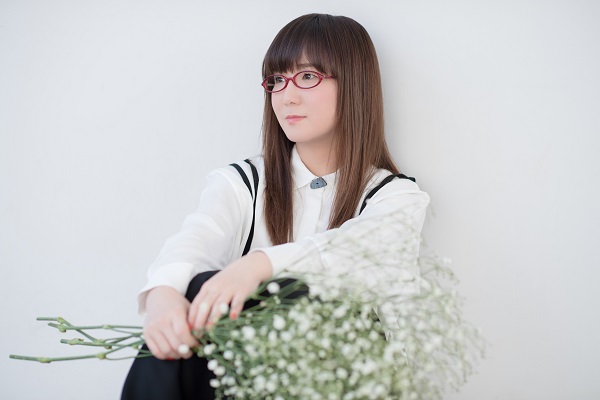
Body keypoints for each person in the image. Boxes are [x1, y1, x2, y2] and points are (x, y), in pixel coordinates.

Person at [121, 13, 429, 399]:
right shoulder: (244, 183)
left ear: (354, 84)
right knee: (194, 289)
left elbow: (356, 254)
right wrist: (163, 294)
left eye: (307, 76)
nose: (287, 96)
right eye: (277, 80)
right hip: (243, 386)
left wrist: (258, 265)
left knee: (299, 294)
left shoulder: (395, 197)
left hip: (345, 385)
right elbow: (197, 238)